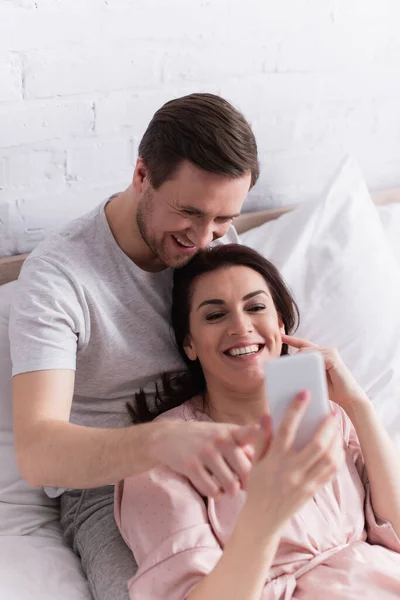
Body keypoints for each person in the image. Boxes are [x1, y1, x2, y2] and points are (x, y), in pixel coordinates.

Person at [9, 93, 277, 600]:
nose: (204, 240)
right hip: (109, 486)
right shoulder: (58, 279)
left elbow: (261, 340)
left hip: (222, 441)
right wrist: (161, 442)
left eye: (221, 220)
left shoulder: (216, 240)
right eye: (190, 213)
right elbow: (39, 453)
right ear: (141, 174)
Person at [115, 243, 400, 599]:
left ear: (280, 326)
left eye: (256, 307)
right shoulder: (161, 455)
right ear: (189, 343)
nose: (240, 326)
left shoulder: (326, 416)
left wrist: (357, 404)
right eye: (215, 315)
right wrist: (265, 516)